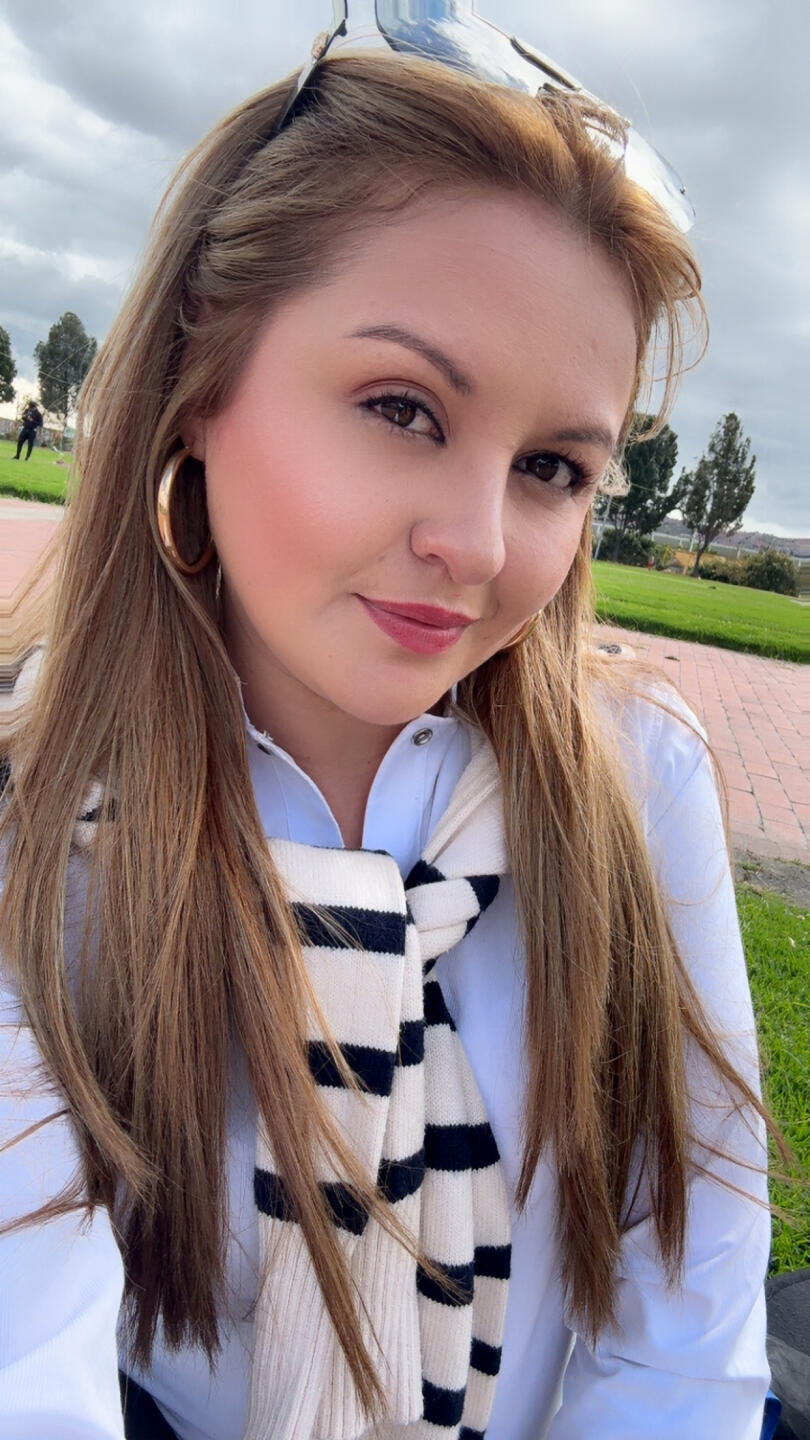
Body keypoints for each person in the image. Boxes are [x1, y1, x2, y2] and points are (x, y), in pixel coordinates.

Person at [0, 5, 776, 1438]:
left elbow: (684, 1326)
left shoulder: (635, 782)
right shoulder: (37, 818)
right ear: (201, 378)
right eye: (404, 409)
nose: (478, 543)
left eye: (552, 466)